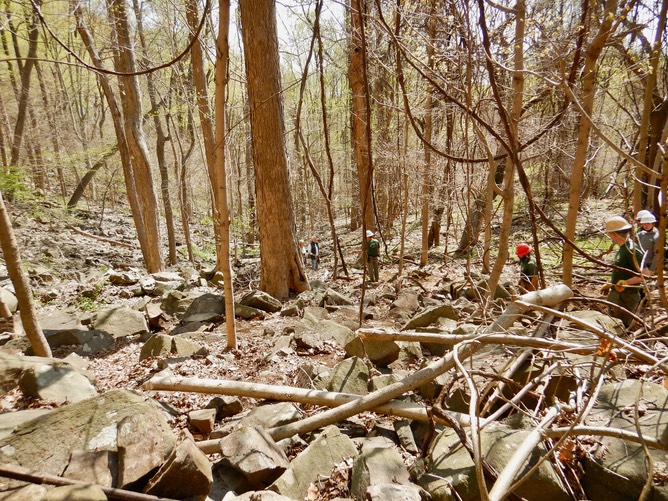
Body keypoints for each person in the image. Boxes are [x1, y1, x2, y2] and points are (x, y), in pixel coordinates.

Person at [601, 215, 645, 328]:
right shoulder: (623, 248)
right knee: (613, 324)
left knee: (623, 327)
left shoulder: (632, 250)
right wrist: (611, 284)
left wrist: (626, 283)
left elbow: (645, 274)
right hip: (617, 294)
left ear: (613, 234)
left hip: (627, 297)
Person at [635, 210, 659, 274]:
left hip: (649, 265)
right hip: (639, 264)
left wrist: (652, 269)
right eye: (644, 224)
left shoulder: (656, 236)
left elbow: (657, 254)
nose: (646, 226)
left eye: (648, 223)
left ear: (653, 223)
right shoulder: (639, 235)